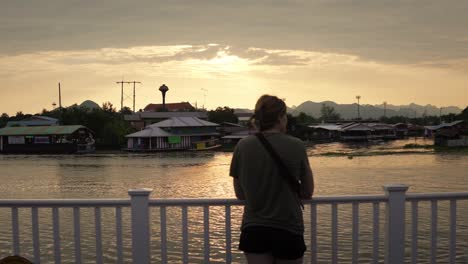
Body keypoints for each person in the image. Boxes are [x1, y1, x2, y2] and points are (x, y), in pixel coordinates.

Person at [230, 95, 314, 264]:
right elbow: (307, 191)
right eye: (285, 116)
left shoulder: (243, 146)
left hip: (254, 229)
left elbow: (240, 194)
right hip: (288, 228)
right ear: (280, 118)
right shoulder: (296, 145)